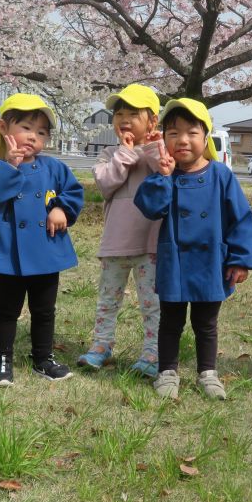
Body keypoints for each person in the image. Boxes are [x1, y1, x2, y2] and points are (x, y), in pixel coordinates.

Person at [133, 98, 252, 400]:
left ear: (206, 137)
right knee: (171, 321)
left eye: (191, 132)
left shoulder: (221, 175)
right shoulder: (165, 175)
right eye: (173, 133)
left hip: (211, 262)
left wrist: (240, 259)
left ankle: (208, 372)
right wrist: (162, 178)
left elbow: (240, 218)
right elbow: (150, 208)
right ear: (164, 139)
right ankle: (167, 371)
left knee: (206, 323)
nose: (182, 140)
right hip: (174, 260)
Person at [0, 93, 84, 386]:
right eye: (26, 128)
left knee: (44, 309)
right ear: (5, 129)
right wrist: (10, 164)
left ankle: (43, 358)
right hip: (10, 253)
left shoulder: (54, 167)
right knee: (7, 309)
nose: (33, 137)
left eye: (41, 132)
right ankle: (3, 360)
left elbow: (73, 192)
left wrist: (61, 207)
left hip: (46, 250)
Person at [77, 84, 164, 378]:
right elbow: (106, 184)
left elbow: (164, 173)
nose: (124, 120)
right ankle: (101, 345)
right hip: (115, 243)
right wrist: (125, 154)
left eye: (133, 114)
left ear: (152, 120)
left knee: (152, 302)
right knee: (107, 299)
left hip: (150, 244)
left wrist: (151, 147)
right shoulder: (109, 154)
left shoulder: (160, 150)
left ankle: (153, 351)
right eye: (119, 114)